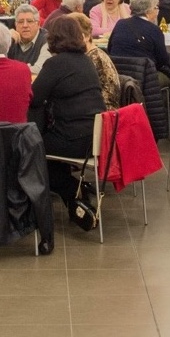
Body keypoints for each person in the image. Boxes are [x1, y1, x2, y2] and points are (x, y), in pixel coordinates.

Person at [30, 16, 107, 230]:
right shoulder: (85, 61)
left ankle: (72, 191)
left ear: (53, 38)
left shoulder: (55, 63)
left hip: (73, 138)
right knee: (46, 149)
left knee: (29, 149)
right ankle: (76, 196)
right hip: (95, 136)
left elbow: (34, 98)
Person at [107, 0, 170, 81]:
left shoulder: (120, 24)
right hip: (145, 78)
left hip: (118, 76)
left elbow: (110, 48)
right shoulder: (154, 30)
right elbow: (163, 60)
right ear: (149, 10)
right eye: (156, 8)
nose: (157, 11)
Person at [67, 12, 121, 110]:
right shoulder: (84, 56)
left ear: (87, 37)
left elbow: (107, 99)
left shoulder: (95, 58)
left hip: (100, 113)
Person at [6, 4, 51, 73]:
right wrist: (5, 38)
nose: (25, 25)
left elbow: (38, 70)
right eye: (20, 22)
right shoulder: (10, 38)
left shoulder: (47, 40)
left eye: (29, 21)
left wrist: (9, 71)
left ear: (38, 24)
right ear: (15, 24)